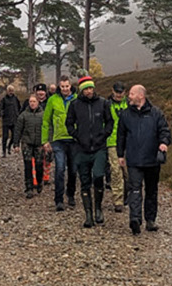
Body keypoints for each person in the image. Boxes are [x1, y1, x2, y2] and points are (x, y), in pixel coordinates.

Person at [116, 83, 172, 234]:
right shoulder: (125, 114)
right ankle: (135, 219)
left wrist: (164, 143)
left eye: (132, 94)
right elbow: (120, 136)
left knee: (151, 191)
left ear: (141, 95)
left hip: (152, 160)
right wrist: (120, 155)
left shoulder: (156, 113)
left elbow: (165, 130)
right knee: (134, 189)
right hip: (133, 160)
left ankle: (150, 220)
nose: (129, 96)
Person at [65, 75, 113, 228]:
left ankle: (98, 208)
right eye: (86, 89)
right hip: (82, 148)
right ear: (82, 90)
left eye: (91, 88)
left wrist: (104, 135)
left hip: (99, 147)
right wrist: (77, 135)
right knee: (84, 181)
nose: (89, 91)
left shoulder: (103, 103)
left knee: (99, 176)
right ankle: (88, 215)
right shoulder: (75, 105)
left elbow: (110, 121)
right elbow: (69, 123)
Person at [40, 76, 76, 211]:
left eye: (67, 86)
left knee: (73, 170)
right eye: (63, 86)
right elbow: (46, 121)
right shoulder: (52, 100)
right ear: (59, 87)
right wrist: (45, 140)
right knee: (60, 168)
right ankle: (59, 199)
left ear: (70, 86)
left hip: (74, 140)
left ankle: (71, 194)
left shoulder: (76, 99)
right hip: (58, 140)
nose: (65, 89)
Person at [14, 91, 46, 196]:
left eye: (34, 101)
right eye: (30, 101)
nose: (32, 103)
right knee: (27, 166)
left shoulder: (44, 114)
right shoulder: (23, 115)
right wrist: (16, 144)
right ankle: (29, 188)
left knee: (39, 165)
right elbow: (18, 130)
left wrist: (48, 141)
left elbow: (48, 128)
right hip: (27, 143)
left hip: (39, 143)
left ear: (38, 102)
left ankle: (39, 182)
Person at [105, 81, 128, 210]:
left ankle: (127, 194)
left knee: (128, 172)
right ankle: (117, 200)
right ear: (112, 91)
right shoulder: (107, 105)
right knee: (116, 171)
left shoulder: (130, 104)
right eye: (117, 92)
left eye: (121, 92)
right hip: (112, 141)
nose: (119, 94)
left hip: (128, 141)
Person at [0, 84, 23, 156]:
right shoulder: (4, 99)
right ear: (7, 91)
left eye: (12, 91)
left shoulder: (16, 98)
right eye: (9, 91)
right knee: (5, 137)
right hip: (6, 120)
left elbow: (20, 108)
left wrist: (20, 115)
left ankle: (9, 147)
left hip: (14, 120)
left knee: (15, 136)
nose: (11, 92)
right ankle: (4, 151)